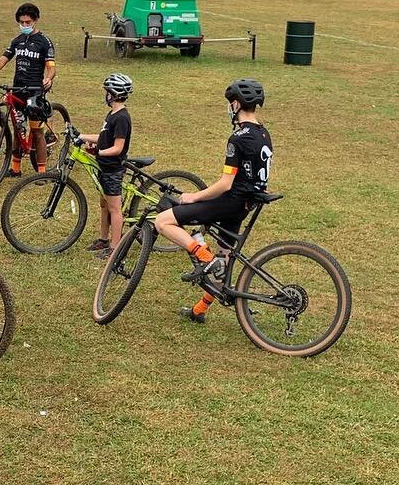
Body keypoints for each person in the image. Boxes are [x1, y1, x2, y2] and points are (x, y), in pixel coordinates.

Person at [152, 79, 273, 324]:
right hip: (248, 203)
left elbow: (226, 183)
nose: (229, 108)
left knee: (162, 221)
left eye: (230, 103)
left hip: (232, 202)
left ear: (237, 104)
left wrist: (193, 196)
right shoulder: (263, 132)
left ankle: (203, 257)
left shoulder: (238, 137)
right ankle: (200, 309)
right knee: (225, 256)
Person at [0, 2, 56, 178]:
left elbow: (51, 66)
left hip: (34, 91)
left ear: (35, 21)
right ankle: (15, 168)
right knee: (17, 127)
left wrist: (48, 78)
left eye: (28, 22)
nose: (24, 25)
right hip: (18, 89)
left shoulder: (44, 42)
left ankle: (42, 173)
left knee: (37, 131)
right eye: (21, 22)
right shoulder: (17, 41)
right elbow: (3, 60)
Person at [79, 73, 133, 256]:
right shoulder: (112, 114)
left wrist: (99, 151)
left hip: (113, 169)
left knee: (114, 209)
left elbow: (118, 148)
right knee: (104, 205)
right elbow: (103, 138)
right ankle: (103, 240)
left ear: (114, 93)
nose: (105, 95)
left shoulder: (122, 118)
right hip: (104, 166)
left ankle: (115, 247)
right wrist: (81, 136)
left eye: (107, 92)